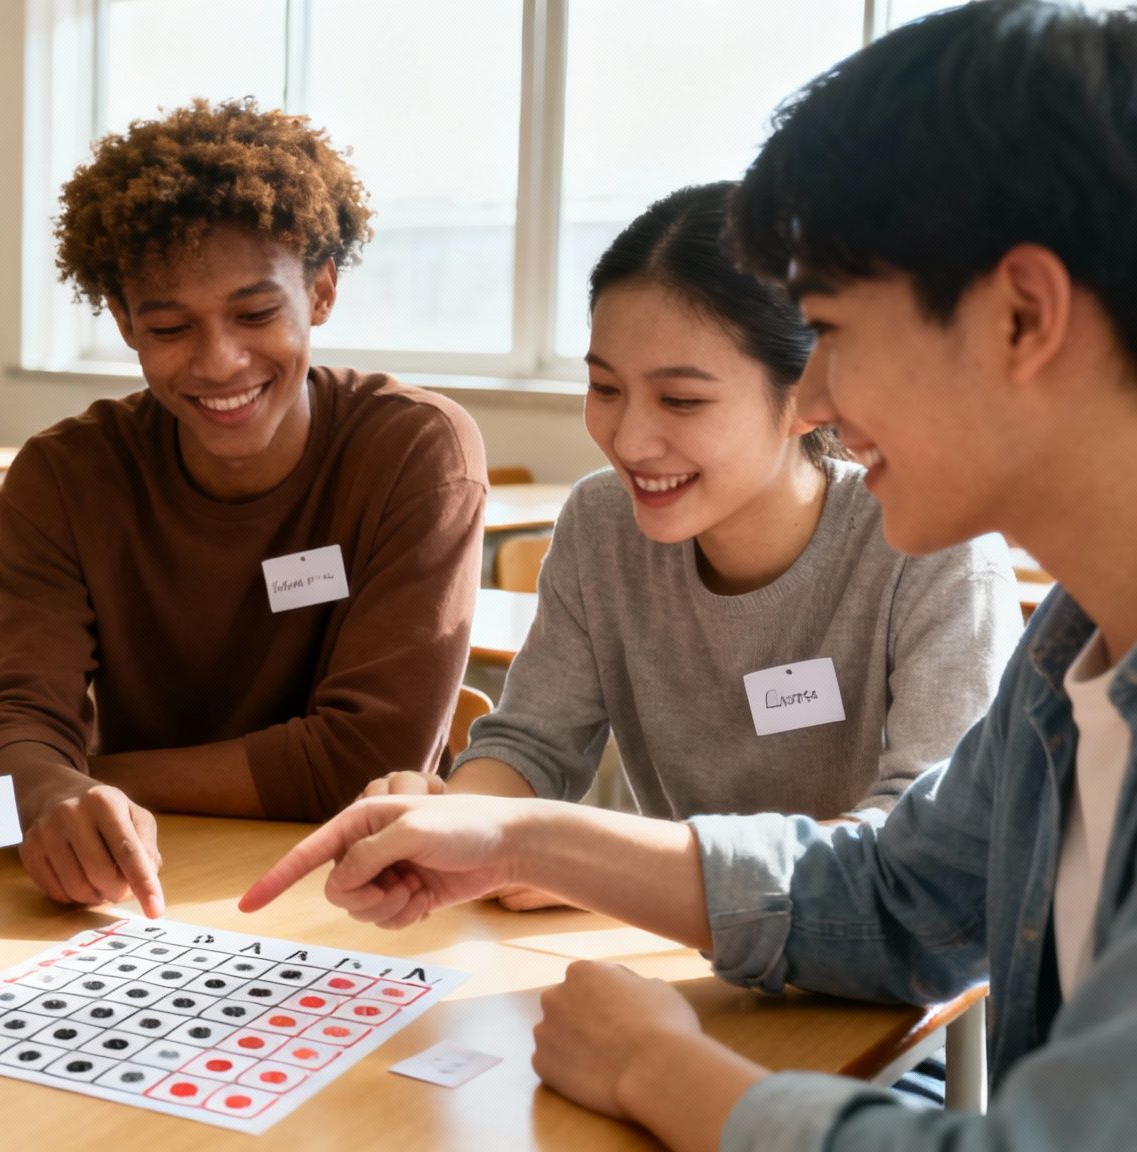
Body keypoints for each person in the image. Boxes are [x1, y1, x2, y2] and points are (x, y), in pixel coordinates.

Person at [243, 2, 1137, 1148]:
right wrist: (511, 837)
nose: (811, 404)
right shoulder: (1069, 650)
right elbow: (896, 901)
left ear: (1021, 314)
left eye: (832, 331)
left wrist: (663, 1072)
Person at [366, 182, 1019, 908]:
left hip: (876, 977)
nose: (629, 440)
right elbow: (532, 746)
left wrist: (601, 867)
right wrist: (452, 821)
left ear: (810, 393)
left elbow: (912, 847)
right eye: (605, 388)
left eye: (681, 400)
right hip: (678, 952)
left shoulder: (931, 546)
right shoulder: (601, 524)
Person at [0, 99, 488, 918]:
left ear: (322, 290)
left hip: (355, 895)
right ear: (125, 322)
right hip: (139, 893)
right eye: (168, 325)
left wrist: (72, 776)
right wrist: (45, 787)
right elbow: (7, 720)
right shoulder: (65, 476)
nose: (219, 361)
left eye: (257, 313)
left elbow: (362, 758)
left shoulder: (414, 453)